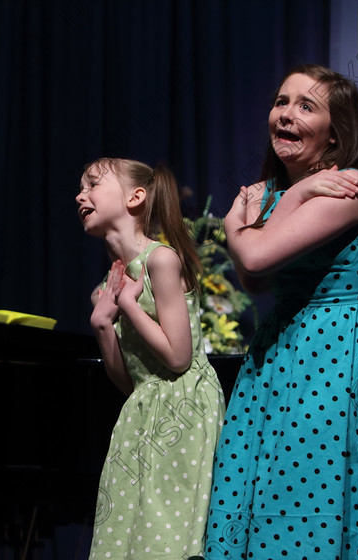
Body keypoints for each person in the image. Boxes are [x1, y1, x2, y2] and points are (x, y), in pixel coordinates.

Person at [203, 64, 358, 559]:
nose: (287, 113)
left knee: (308, 498)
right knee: (256, 494)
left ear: (335, 132)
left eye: (306, 106)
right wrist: (282, 200)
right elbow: (256, 281)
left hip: (335, 352)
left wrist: (260, 212)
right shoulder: (280, 194)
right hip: (280, 351)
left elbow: (253, 255)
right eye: (281, 102)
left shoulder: (350, 186)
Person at [76, 157, 226, 558]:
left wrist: (131, 305)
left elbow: (178, 357)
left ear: (135, 197)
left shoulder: (161, 260)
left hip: (184, 408)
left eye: (92, 185)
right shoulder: (104, 288)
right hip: (142, 410)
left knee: (167, 535)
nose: (81, 195)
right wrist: (104, 324)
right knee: (129, 535)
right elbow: (130, 381)